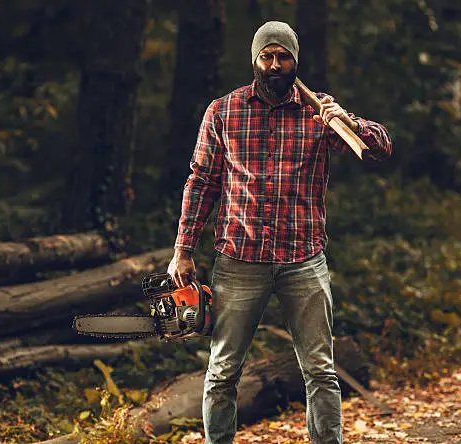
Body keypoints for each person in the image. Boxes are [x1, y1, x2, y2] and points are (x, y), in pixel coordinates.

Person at [167, 20, 392, 444]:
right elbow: (201, 182)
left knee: (321, 371)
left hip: (303, 259)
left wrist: (347, 122)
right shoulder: (223, 111)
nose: (274, 65)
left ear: (295, 61)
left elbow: (381, 147)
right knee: (221, 372)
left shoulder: (320, 112)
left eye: (283, 56)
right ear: (254, 61)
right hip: (238, 260)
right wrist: (183, 248)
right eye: (266, 56)